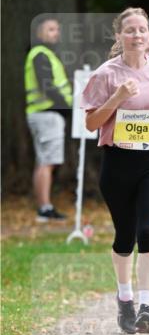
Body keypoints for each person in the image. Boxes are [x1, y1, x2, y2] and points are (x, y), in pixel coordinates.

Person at [81, 7, 149, 333]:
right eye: (130, 30)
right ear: (119, 36)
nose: (137, 35)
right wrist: (117, 97)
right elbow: (91, 123)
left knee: (148, 230)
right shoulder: (106, 74)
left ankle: (147, 307)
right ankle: (125, 299)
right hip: (118, 161)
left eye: (142, 30)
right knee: (125, 234)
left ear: (148, 35)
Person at [24, 15, 73, 221]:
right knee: (47, 162)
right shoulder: (41, 54)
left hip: (43, 114)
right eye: (51, 29)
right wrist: (67, 107)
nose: (56, 33)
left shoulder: (43, 54)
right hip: (47, 114)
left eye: (57, 29)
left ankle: (44, 207)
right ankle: (45, 208)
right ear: (39, 33)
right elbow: (47, 86)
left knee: (43, 161)